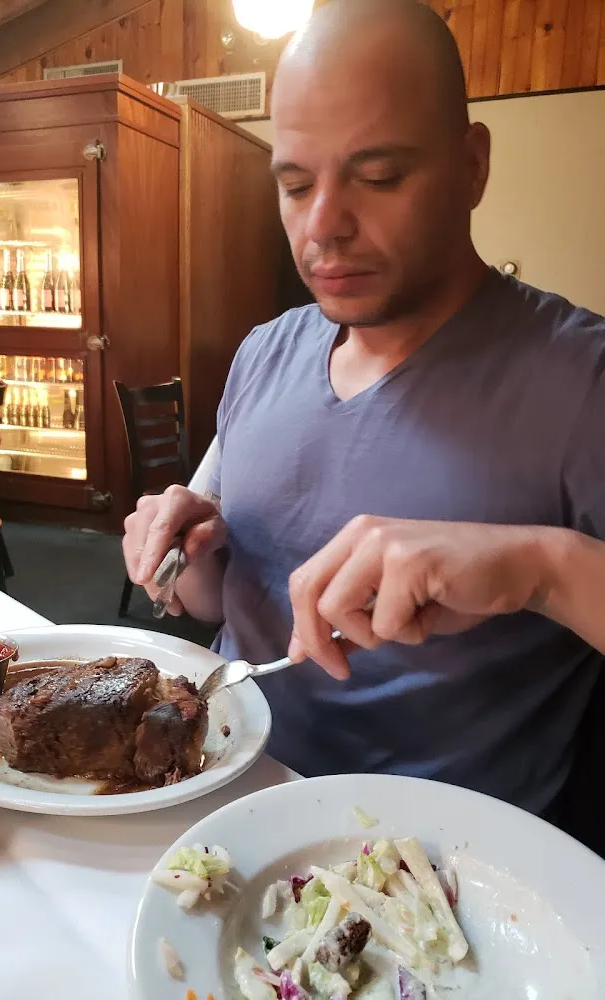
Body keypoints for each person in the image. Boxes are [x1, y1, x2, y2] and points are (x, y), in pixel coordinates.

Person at [123, 0, 605, 818]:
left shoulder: (579, 378)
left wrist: (542, 568)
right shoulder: (263, 353)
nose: (323, 226)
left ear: (473, 166)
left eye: (379, 176)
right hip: (209, 797)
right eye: (296, 184)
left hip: (431, 875)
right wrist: (187, 554)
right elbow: (218, 605)